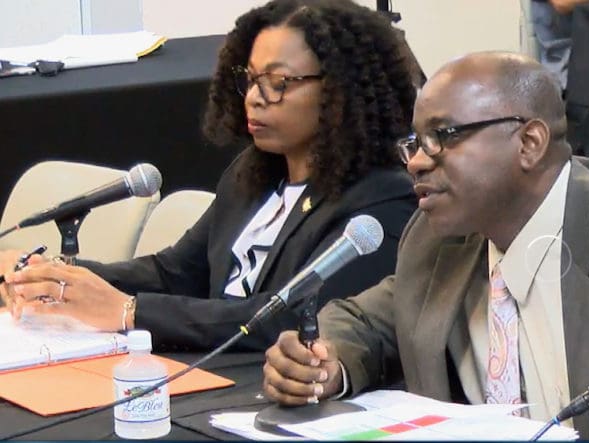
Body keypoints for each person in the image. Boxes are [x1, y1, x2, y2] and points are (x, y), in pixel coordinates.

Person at [261, 51, 589, 439]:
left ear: (529, 143)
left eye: (443, 135)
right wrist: (324, 363)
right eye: (414, 142)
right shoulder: (437, 238)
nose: (416, 162)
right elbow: (366, 320)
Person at [0, 0, 418, 352]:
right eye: (251, 80)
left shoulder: (381, 200)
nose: (254, 98)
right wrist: (54, 276)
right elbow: (176, 272)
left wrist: (129, 312)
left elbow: (291, 317)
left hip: (267, 386)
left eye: (278, 82)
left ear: (340, 91)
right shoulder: (253, 175)